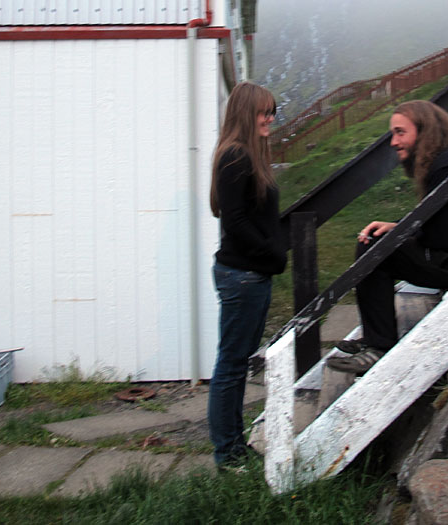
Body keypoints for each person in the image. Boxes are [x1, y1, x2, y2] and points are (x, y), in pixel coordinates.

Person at [326, 100, 448, 375]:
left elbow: (440, 238)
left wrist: (403, 233)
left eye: (400, 132)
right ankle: (375, 338)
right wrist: (398, 228)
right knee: (378, 242)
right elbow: (443, 221)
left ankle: (378, 347)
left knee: (373, 250)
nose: (394, 142)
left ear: (425, 131)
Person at [208, 82, 286, 466]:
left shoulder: (245, 154)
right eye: (263, 112)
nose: (269, 118)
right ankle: (227, 454)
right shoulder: (236, 155)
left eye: (272, 112)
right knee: (231, 366)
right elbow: (235, 221)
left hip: (248, 275)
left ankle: (235, 447)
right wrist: (272, 252)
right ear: (245, 113)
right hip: (242, 276)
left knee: (236, 364)